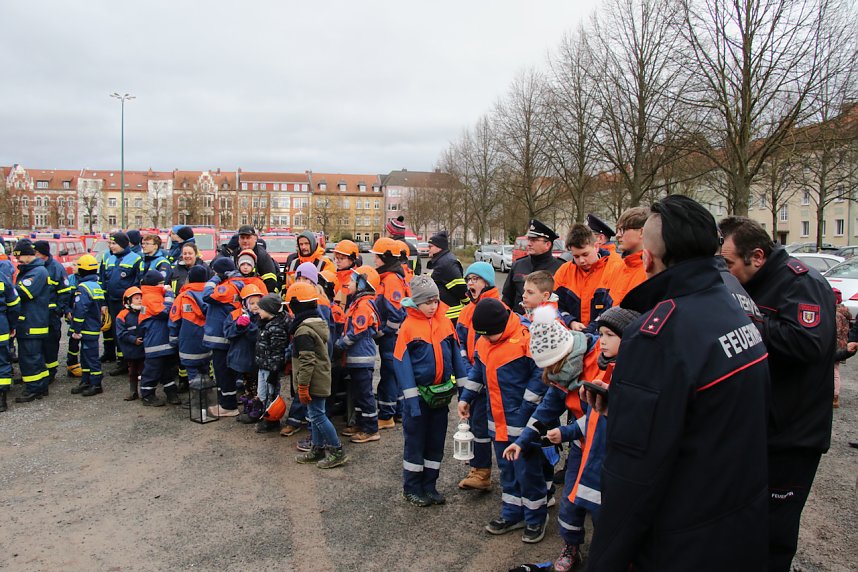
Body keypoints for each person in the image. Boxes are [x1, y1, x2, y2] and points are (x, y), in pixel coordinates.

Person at [584, 196, 769, 570]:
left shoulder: (657, 334)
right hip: (740, 514)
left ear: (648, 259)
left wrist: (605, 559)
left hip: (682, 535)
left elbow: (633, 471)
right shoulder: (735, 302)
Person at [719, 215, 835, 571]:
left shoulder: (801, 283)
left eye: (728, 263)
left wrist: (749, 323)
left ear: (757, 256)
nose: (725, 271)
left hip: (792, 434)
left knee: (774, 532)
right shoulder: (750, 281)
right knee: (743, 521)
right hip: (759, 427)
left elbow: (808, 343)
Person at [507, 305, 638, 572]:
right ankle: (571, 546)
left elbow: (597, 416)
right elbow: (547, 408)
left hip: (607, 447)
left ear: (563, 356)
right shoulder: (563, 371)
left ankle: (611, 553)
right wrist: (522, 440)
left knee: (607, 505)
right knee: (571, 501)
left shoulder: (601, 363)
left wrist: (564, 433)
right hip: (582, 446)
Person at [458, 298, 549, 543]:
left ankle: (535, 518)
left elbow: (540, 376)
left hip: (521, 423)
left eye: (491, 336)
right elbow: (477, 370)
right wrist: (466, 397)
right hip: (496, 421)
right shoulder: (485, 340)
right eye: (484, 337)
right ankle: (512, 513)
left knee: (528, 471)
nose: (487, 340)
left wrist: (526, 408)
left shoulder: (526, 339)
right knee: (507, 470)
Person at [393, 276, 467, 506]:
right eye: (427, 302)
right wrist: (412, 403)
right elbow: (402, 365)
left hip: (440, 397)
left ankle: (430, 485)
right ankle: (412, 487)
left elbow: (457, 357)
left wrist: (465, 393)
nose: (433, 306)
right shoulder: (408, 328)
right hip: (419, 400)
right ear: (416, 303)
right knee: (416, 443)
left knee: (435, 443)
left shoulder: (445, 323)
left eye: (435, 301)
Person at [287, 282, 349, 469]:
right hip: (320, 377)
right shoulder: (316, 323)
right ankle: (317, 449)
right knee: (315, 415)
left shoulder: (302, 332)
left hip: (313, 380)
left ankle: (337, 451)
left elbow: (307, 362)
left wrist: (303, 386)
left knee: (318, 416)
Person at [455, 261, 501, 491]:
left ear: (487, 282)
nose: (471, 283)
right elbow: (461, 341)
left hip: (488, 374)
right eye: (469, 279)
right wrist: (465, 364)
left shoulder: (495, 307)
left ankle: (483, 472)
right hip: (473, 373)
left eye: (476, 279)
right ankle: (478, 469)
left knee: (484, 425)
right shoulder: (466, 310)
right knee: (474, 423)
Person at [336, 265, 381, 443]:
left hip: (361, 358)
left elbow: (357, 331)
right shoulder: (359, 302)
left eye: (353, 280)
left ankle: (371, 429)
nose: (348, 282)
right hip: (357, 358)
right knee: (358, 393)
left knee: (365, 394)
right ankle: (362, 423)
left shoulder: (363, 305)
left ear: (362, 284)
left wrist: (340, 344)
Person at [553, 223, 624, 333]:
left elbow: (614, 308)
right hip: (571, 336)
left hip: (602, 338)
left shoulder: (615, 268)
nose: (581, 261)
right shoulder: (564, 271)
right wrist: (571, 321)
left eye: (585, 254)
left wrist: (590, 330)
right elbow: (554, 305)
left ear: (596, 247)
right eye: (576, 256)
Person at [371, 237, 410, 429]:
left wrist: (382, 332)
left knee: (389, 374)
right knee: (394, 374)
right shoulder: (390, 277)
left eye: (377, 257)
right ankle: (398, 411)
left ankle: (386, 416)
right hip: (394, 337)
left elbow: (395, 313)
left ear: (386, 258)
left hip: (392, 338)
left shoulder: (392, 279)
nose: (375, 261)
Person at [203, 257, 245, 417]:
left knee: (223, 372)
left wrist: (215, 278)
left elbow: (206, 295)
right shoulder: (235, 284)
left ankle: (228, 405)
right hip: (225, 337)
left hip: (222, 338)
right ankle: (225, 402)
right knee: (224, 372)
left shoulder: (228, 287)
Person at [99, 232, 143, 375]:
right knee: (115, 331)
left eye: (114, 244)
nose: (111, 247)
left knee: (128, 330)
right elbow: (103, 280)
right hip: (111, 300)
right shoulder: (109, 258)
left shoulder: (136, 259)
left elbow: (138, 281)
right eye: (110, 244)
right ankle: (121, 360)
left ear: (123, 244)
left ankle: (128, 361)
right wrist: (103, 302)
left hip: (126, 303)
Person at [13, 239, 51, 403]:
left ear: (29, 255)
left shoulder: (37, 272)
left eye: (19, 257)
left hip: (32, 323)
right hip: (31, 321)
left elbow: (23, 292)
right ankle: (40, 386)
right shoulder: (32, 270)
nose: (17, 260)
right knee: (35, 357)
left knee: (29, 357)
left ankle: (33, 389)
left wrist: (7, 287)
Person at [168, 265, 212, 404]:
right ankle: (208, 396)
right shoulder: (210, 295)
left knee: (192, 371)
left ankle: (197, 400)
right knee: (205, 370)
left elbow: (174, 319)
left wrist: (173, 339)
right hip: (207, 339)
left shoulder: (183, 297)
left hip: (188, 341)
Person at [503, 219, 563, 314]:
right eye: (529, 240)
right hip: (517, 324)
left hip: (547, 325)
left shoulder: (561, 268)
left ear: (547, 244)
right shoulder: (518, 265)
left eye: (534, 240)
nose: (529, 244)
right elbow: (507, 298)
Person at [33, 240, 72, 383]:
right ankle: (40, 370)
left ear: (42, 253)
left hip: (51, 315)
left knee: (51, 343)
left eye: (36, 252)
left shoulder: (56, 268)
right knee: (38, 344)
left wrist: (57, 309)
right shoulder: (34, 266)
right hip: (37, 314)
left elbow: (65, 291)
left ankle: (51, 372)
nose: (34, 255)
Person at [138, 270, 180, 407]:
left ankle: (171, 392)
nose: (164, 286)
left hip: (162, 340)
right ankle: (147, 394)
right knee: (152, 369)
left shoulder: (153, 295)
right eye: (161, 283)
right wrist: (169, 295)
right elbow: (164, 312)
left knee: (167, 370)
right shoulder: (150, 297)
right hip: (155, 342)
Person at [224, 283, 263, 422]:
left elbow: (258, 336)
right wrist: (238, 325)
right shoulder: (235, 315)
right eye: (251, 303)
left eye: (258, 302)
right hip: (242, 359)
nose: (255, 306)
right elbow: (228, 333)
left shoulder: (263, 317)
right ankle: (249, 408)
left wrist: (248, 326)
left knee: (256, 388)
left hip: (255, 360)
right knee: (247, 387)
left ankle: (256, 412)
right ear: (245, 303)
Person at [254, 293, 291, 433]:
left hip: (270, 368)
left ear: (270, 310)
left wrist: (274, 371)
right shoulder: (266, 324)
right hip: (263, 365)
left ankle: (272, 420)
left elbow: (277, 352)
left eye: (261, 309)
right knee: (262, 393)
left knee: (271, 394)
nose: (258, 311)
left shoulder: (276, 328)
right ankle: (264, 416)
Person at [426, 231, 468, 324]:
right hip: (445, 313)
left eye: (430, 247)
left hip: (450, 315)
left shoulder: (446, 263)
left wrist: (468, 302)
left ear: (439, 247)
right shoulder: (442, 261)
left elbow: (459, 287)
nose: (428, 249)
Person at [612, 206, 649, 303]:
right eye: (618, 230)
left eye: (622, 229)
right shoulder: (619, 268)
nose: (618, 235)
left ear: (641, 232)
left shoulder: (651, 271)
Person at [116, 286, 145, 401]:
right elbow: (121, 333)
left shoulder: (144, 312)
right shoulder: (122, 315)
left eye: (140, 298)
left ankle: (145, 393)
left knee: (144, 372)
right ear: (128, 301)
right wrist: (133, 340)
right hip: (131, 350)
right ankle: (133, 392)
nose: (139, 300)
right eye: (136, 298)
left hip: (143, 349)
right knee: (132, 371)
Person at [234, 225, 280, 294]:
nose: (245, 241)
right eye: (242, 238)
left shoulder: (263, 256)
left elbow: (270, 283)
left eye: (248, 238)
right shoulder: (236, 253)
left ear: (255, 238)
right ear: (239, 240)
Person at [0, 265, 19, 412]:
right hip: (1, 324)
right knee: (2, 360)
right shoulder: (3, 278)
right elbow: (14, 304)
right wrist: (12, 325)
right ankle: (2, 399)